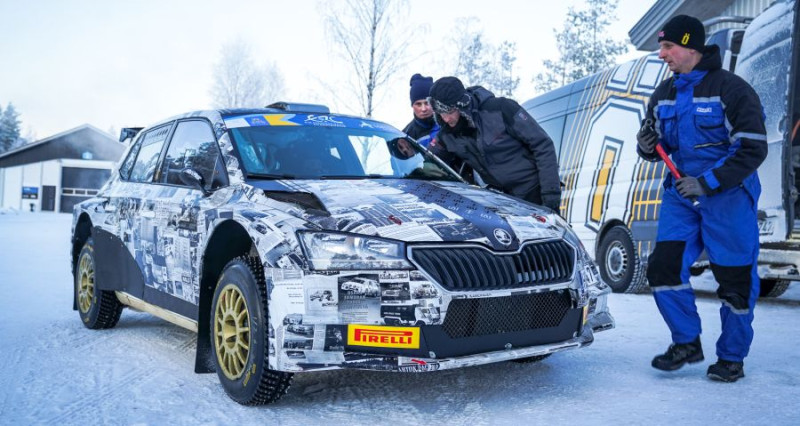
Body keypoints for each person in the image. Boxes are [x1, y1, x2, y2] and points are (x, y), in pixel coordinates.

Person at [636, 15, 767, 382]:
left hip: (727, 196)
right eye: (661, 46)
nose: (662, 54)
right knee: (663, 267)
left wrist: (707, 183)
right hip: (680, 193)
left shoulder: (732, 89)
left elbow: (752, 150)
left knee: (735, 281)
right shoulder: (664, 93)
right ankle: (686, 341)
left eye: (668, 46)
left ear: (691, 46)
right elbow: (655, 141)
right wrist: (647, 146)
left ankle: (731, 357)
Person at [427, 76, 561, 211]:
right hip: (503, 202)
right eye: (440, 113)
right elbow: (429, 163)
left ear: (462, 105)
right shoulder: (446, 135)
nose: (446, 118)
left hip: (534, 193)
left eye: (449, 111)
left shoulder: (501, 109)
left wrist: (550, 193)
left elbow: (542, 145)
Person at [402, 74, 439, 148]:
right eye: (418, 104)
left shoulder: (448, 122)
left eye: (427, 103)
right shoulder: (406, 135)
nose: (424, 109)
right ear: (412, 105)